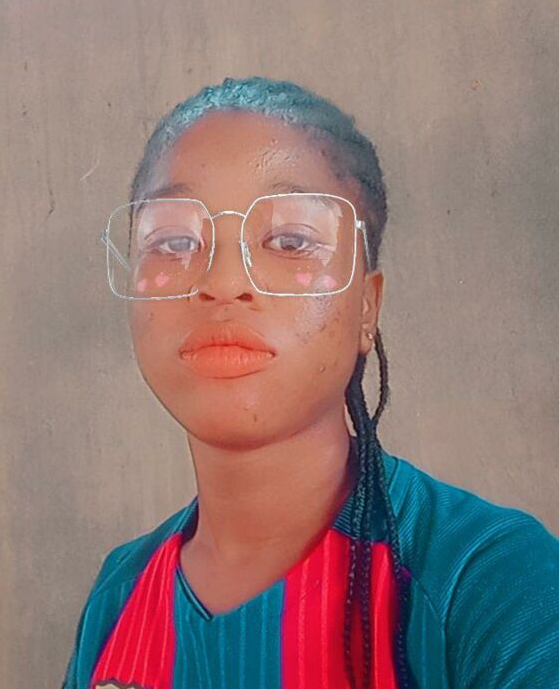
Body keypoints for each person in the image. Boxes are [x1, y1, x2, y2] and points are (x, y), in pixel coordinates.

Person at [61, 77, 559, 689]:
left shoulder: (489, 579)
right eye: (175, 241)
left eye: (290, 240)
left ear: (366, 307)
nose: (221, 281)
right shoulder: (119, 595)